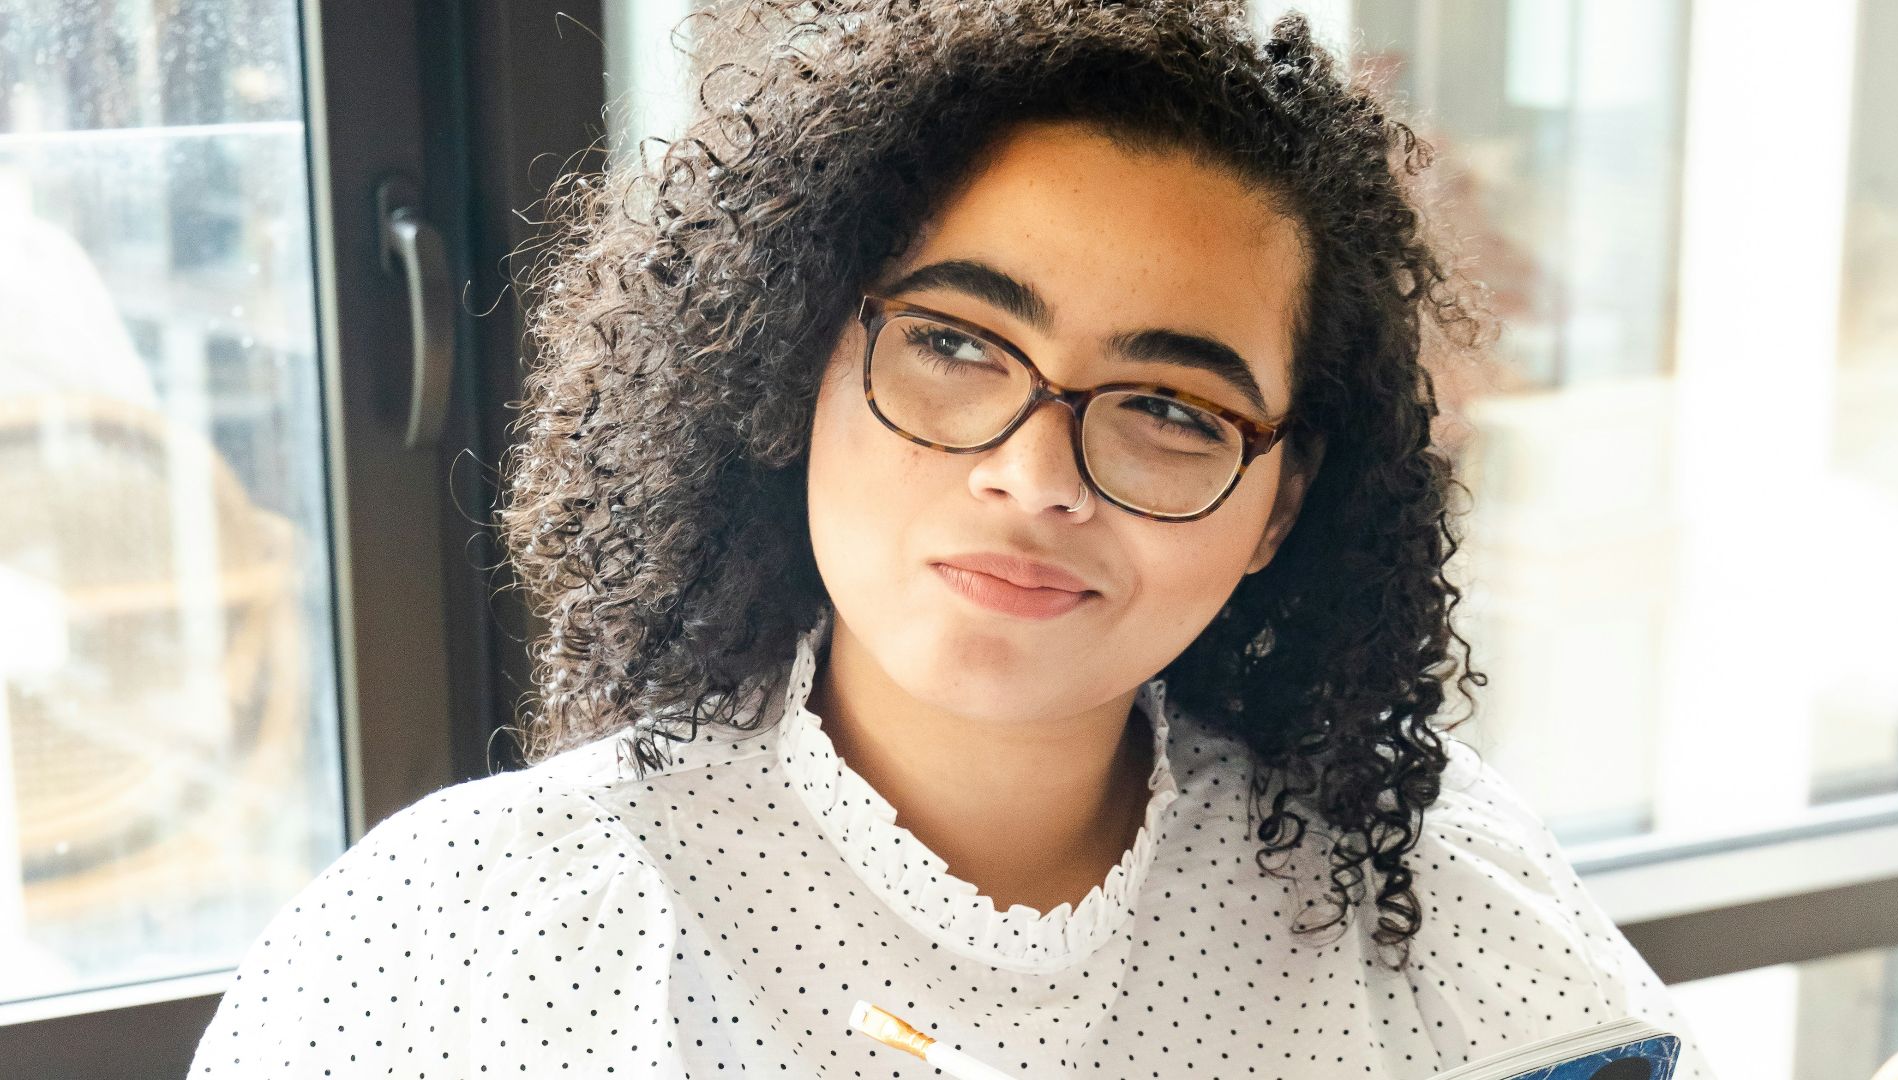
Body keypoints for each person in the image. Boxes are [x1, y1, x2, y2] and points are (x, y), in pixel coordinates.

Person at [188, 1, 1719, 1076]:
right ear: (792, 366)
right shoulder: (466, 937)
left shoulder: (1431, 896)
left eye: (1172, 410)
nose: (1037, 475)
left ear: (1281, 506)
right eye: (958, 347)